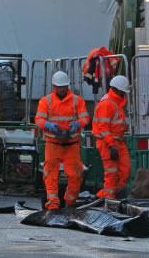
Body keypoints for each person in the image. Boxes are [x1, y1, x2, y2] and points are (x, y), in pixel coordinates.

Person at [35, 71, 90, 209]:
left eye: (64, 86)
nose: (62, 89)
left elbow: (85, 118)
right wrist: (47, 125)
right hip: (53, 143)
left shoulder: (77, 101)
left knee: (76, 174)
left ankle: (70, 201)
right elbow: (39, 119)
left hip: (71, 144)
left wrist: (78, 123)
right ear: (54, 86)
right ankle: (53, 202)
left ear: (68, 86)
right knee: (50, 174)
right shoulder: (46, 101)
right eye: (59, 87)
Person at [93, 76, 131, 199]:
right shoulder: (107, 104)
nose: (124, 94)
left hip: (117, 142)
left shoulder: (115, 103)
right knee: (112, 174)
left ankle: (103, 197)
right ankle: (108, 200)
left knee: (124, 172)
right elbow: (103, 128)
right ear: (117, 90)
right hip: (108, 143)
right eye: (123, 92)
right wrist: (111, 146)